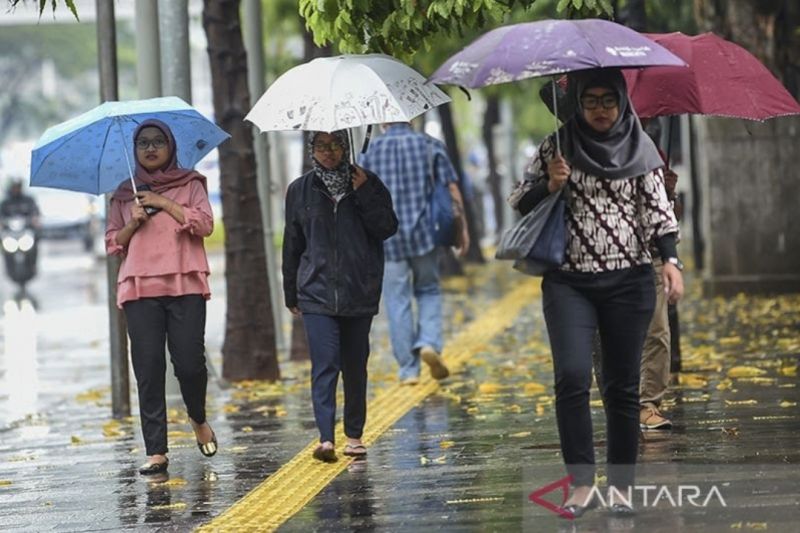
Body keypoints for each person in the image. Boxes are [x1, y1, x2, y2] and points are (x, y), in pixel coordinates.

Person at [509, 69, 684, 516]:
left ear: (621, 102)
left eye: (609, 100)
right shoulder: (558, 145)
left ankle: (621, 487)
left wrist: (671, 262)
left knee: (621, 388)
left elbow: (657, 212)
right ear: (579, 104)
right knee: (570, 377)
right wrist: (549, 183)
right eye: (592, 101)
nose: (601, 109)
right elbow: (518, 200)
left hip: (628, 281)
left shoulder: (640, 145)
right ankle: (582, 484)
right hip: (569, 282)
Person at [105, 119, 217, 475]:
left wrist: (162, 202)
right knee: (148, 369)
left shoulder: (191, 183)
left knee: (189, 364)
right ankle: (156, 450)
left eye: (157, 142)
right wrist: (133, 221)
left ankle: (197, 417)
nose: (150, 148)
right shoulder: (124, 193)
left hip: (185, 284)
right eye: (143, 144)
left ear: (170, 146)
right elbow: (113, 243)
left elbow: (205, 225)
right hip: (139, 288)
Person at [283, 130, 398, 462]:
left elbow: (387, 228)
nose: (329, 152)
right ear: (312, 150)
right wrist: (291, 290)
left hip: (358, 289)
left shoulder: (368, 183)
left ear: (346, 147)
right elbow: (292, 244)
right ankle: (325, 438)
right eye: (322, 146)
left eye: (336, 145)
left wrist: (364, 193)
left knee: (354, 365)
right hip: (315, 291)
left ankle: (354, 435)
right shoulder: (300, 190)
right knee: (325, 363)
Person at [359, 122, 469, 385]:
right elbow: (452, 189)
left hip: (388, 239)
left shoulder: (368, 153)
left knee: (397, 301)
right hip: (425, 235)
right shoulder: (430, 145)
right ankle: (429, 342)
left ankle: (408, 370)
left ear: (384, 120)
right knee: (428, 289)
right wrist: (462, 229)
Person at [639, 118, 682, 430]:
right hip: (606, 262)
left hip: (651, 255)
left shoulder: (653, 151)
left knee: (658, 332)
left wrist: (669, 192)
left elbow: (667, 216)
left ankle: (648, 403)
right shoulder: (577, 147)